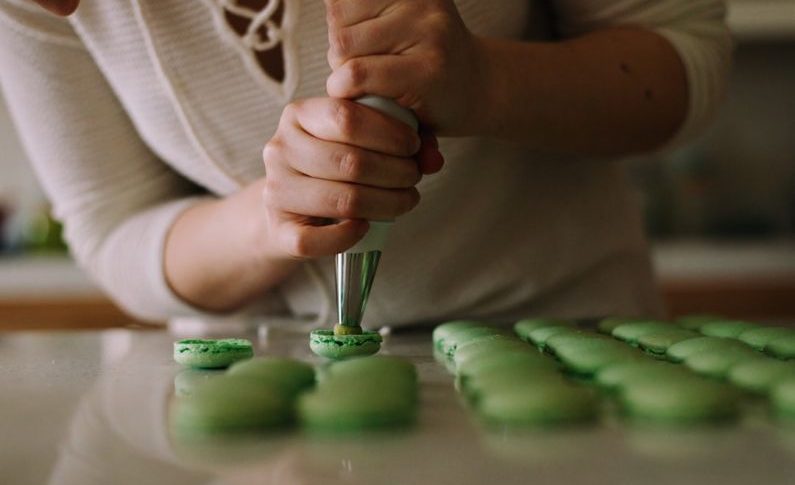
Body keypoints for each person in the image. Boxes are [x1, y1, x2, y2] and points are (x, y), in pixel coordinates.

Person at [0, 0, 731, 328]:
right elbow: (112, 229)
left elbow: (681, 53)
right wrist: (272, 217)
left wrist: (487, 84)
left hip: (561, 360)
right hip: (254, 434)